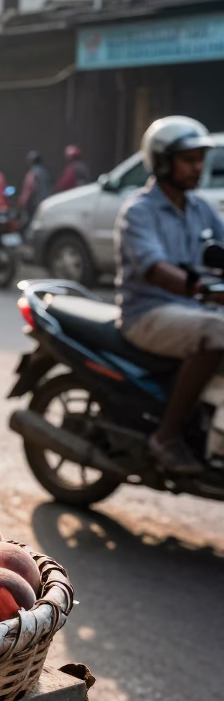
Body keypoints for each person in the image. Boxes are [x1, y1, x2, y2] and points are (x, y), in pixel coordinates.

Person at [116, 116, 224, 475]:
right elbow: (156, 268)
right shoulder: (139, 210)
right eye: (188, 159)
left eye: (199, 159)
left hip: (190, 311)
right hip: (147, 313)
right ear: (163, 161)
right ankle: (166, 436)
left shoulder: (202, 207)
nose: (198, 167)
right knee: (217, 331)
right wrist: (200, 286)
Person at [19, 150, 53, 225]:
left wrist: (22, 202)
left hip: (35, 204)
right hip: (47, 202)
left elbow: (29, 189)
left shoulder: (32, 173)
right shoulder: (45, 172)